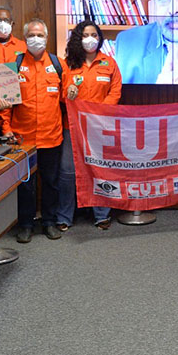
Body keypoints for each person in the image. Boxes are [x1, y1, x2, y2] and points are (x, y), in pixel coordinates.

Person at [0, 19, 64, 243]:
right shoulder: (13, 64)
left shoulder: (58, 64)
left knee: (51, 182)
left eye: (40, 35)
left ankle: (49, 222)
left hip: (51, 136)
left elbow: (66, 97)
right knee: (25, 185)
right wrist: (6, 128)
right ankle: (25, 224)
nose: (36, 39)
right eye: (31, 35)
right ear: (25, 38)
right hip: (22, 138)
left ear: (46, 38)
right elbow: (5, 103)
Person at [61, 21, 122, 229]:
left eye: (94, 35)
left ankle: (102, 215)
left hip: (100, 126)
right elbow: (60, 93)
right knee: (67, 172)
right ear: (78, 38)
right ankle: (64, 217)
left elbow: (115, 91)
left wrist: (99, 113)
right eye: (85, 35)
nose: (90, 39)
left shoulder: (109, 63)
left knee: (101, 170)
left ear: (100, 38)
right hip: (72, 126)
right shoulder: (68, 64)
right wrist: (67, 94)